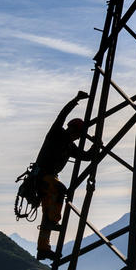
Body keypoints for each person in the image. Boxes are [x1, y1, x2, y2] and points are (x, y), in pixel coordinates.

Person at [34, 90, 98, 260]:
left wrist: (96, 145)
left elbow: (85, 157)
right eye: (77, 134)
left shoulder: (69, 146)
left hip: (48, 179)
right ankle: (53, 220)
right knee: (60, 191)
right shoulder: (57, 134)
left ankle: (43, 248)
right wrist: (76, 100)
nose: (77, 138)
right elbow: (62, 115)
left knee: (47, 213)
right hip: (42, 176)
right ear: (72, 130)